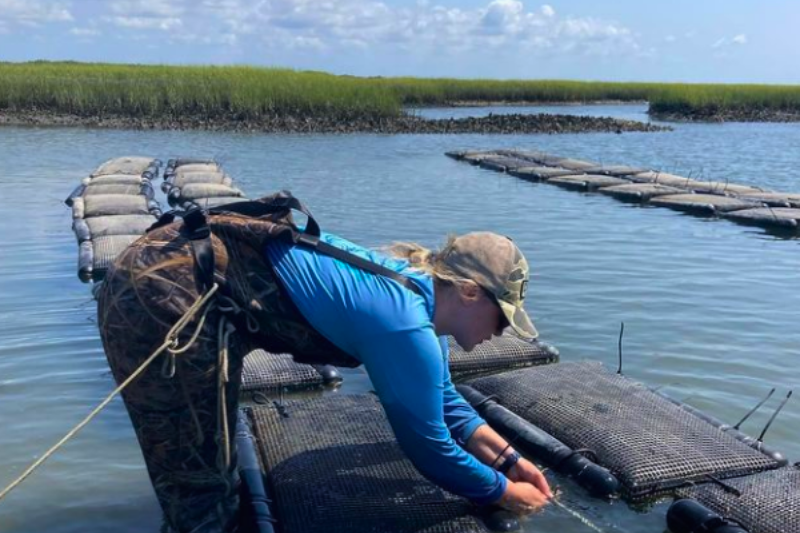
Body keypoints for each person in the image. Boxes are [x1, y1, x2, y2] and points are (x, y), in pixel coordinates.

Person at [97, 192, 552, 533]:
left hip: (187, 276)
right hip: (164, 296)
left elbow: (440, 397)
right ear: (469, 292)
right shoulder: (405, 326)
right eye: (503, 315)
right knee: (201, 495)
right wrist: (507, 494)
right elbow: (430, 450)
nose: (504, 330)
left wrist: (511, 460)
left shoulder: (418, 294)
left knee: (213, 473)